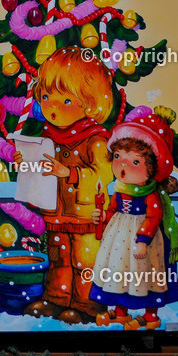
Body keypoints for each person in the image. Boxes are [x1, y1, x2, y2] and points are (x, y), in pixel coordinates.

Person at [20, 46, 115, 323]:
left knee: (84, 261)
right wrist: (26, 159)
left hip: (86, 216)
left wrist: (70, 173)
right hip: (56, 213)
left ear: (89, 103)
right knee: (59, 259)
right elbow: (40, 171)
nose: (51, 107)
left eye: (65, 101)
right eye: (47, 97)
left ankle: (88, 306)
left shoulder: (95, 140)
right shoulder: (49, 137)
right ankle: (56, 301)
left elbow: (103, 175)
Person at [90, 106, 178, 329]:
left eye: (134, 161)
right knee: (120, 271)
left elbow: (154, 216)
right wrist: (102, 216)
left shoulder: (151, 194)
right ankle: (120, 311)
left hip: (143, 240)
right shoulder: (119, 189)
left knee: (144, 275)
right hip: (119, 237)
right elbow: (113, 210)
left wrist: (143, 240)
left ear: (152, 166)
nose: (123, 165)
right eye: (118, 157)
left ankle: (150, 315)